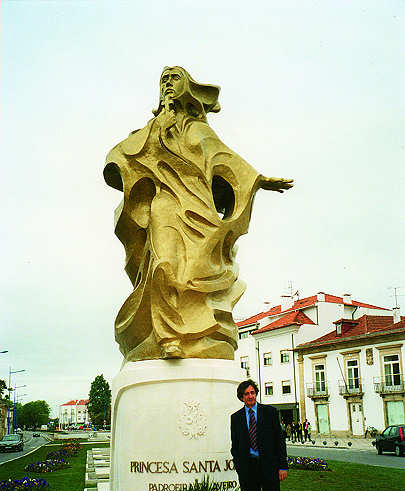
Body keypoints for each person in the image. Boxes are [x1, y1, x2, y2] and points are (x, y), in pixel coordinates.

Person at [104, 66, 293, 362]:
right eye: (163, 79)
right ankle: (168, 338)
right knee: (163, 265)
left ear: (187, 88)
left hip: (199, 209)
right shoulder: (148, 132)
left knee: (195, 275)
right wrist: (151, 133)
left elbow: (229, 162)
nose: (167, 83)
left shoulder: (199, 131)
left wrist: (261, 180)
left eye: (174, 78)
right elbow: (121, 158)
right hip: (165, 204)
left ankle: (200, 333)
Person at [230, 379, 292, 491]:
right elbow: (236, 446)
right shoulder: (236, 418)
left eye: (252, 393)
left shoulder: (270, 413)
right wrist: (240, 466)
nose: (250, 396)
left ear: (256, 394)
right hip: (248, 470)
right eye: (246, 394)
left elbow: (280, 441)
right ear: (241, 397)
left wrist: (282, 466)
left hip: (269, 469)